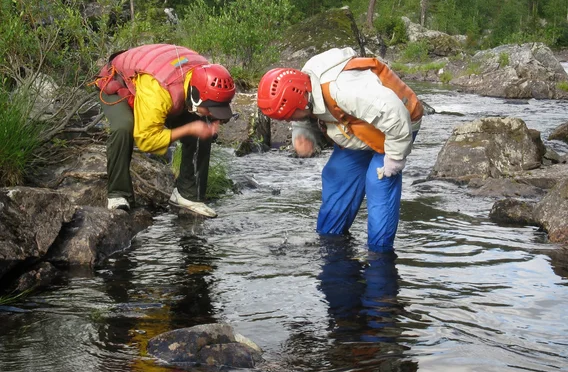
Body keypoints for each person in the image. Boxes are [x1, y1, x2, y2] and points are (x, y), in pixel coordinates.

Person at [257, 47, 423, 252]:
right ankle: (330, 244)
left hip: (396, 125)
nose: (290, 121)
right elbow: (303, 114)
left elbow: (396, 115)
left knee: (378, 182)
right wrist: (302, 135)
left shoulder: (344, 89)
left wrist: (395, 158)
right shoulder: (301, 85)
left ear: (301, 99)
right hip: (356, 127)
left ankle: (379, 256)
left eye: (291, 117)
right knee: (336, 176)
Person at [94, 43, 236, 217]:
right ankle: (118, 194)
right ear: (196, 97)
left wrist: (213, 121)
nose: (214, 113)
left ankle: (188, 196)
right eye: (211, 108)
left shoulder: (205, 76)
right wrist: (189, 128)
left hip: (165, 85)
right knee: (123, 127)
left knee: (203, 127)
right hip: (119, 80)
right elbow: (146, 141)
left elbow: (211, 108)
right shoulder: (158, 93)